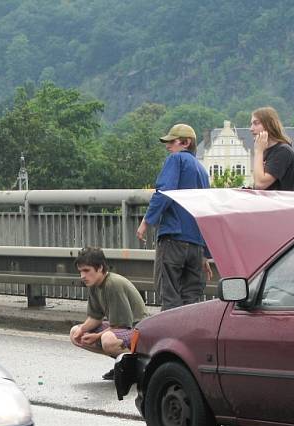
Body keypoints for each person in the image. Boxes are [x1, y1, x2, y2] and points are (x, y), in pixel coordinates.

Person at [136, 123, 213, 312]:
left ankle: (172, 340)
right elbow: (205, 210)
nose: (168, 146)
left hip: (173, 238)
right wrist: (205, 254)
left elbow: (164, 192)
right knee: (191, 300)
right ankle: (191, 340)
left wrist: (146, 221)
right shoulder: (202, 171)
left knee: (169, 297)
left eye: (172, 141)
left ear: (186, 143)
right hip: (195, 245)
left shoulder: (176, 159)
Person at [70, 247, 147, 381]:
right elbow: (95, 318)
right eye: (80, 271)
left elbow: (121, 325)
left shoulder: (112, 284)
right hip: (121, 328)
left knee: (108, 340)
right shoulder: (94, 285)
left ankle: (137, 368)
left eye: (86, 270)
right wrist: (82, 330)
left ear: (100, 268)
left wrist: (96, 336)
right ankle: (122, 363)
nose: (82, 276)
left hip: (139, 329)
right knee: (75, 332)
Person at [250, 106, 294, 191]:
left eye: (256, 123)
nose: (251, 129)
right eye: (251, 124)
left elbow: (260, 184)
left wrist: (258, 151)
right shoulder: (267, 151)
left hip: (279, 203)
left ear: (269, 125)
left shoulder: (283, 151)